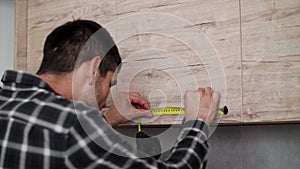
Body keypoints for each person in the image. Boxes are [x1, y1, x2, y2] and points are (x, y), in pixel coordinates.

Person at [0, 20, 220, 169]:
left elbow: (64, 145)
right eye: (110, 82)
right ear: (93, 69)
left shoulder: (8, 101)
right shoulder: (74, 125)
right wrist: (197, 122)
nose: (106, 98)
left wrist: (110, 119)